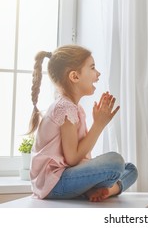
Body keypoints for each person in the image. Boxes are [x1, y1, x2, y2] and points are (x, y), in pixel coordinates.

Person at [27, 44, 138, 202]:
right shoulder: (65, 108)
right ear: (74, 77)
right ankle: (105, 189)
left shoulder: (73, 107)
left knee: (130, 169)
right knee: (116, 162)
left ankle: (102, 190)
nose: (97, 74)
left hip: (64, 178)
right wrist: (98, 125)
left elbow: (76, 160)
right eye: (92, 68)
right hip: (55, 183)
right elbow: (72, 158)